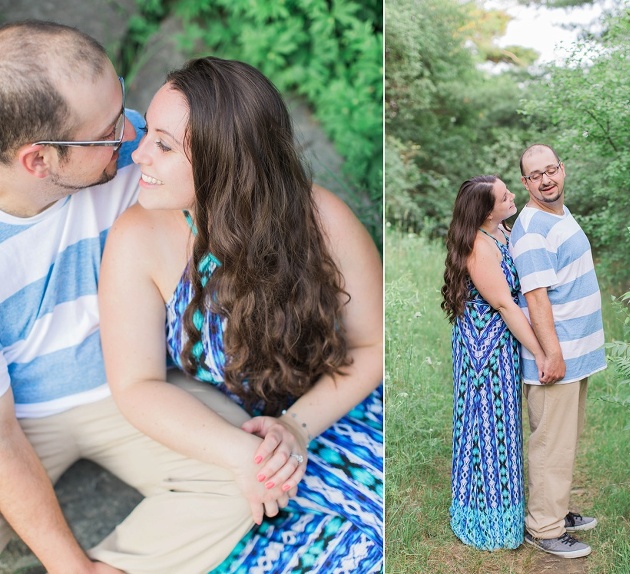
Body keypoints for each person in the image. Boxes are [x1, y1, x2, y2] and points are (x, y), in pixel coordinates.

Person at [97, 56, 384, 572]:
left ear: (223, 162)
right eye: (148, 136)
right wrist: (245, 452)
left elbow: (372, 345)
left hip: (329, 409)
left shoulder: (323, 220)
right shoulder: (138, 237)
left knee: (380, 539)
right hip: (223, 430)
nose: (137, 154)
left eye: (163, 145)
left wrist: (295, 427)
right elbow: (136, 384)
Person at [0, 21, 265, 573]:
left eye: (124, 105)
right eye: (107, 132)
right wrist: (67, 563)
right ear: (38, 161)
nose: (134, 139)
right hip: (18, 422)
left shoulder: (137, 144)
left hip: (133, 384)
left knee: (255, 477)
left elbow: (224, 171)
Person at [509, 144, 606, 559]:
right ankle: (544, 527)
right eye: (536, 175)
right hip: (556, 357)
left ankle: (556, 509)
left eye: (551, 170)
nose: (546, 179)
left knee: (565, 440)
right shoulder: (531, 229)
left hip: (576, 352)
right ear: (525, 182)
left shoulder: (559, 213)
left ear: (562, 169)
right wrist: (553, 354)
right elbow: (536, 298)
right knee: (551, 442)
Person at [440, 175, 546, 550]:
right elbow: (504, 305)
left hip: (500, 343)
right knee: (487, 426)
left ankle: (509, 509)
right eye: (505, 196)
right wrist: (540, 351)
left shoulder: (501, 230)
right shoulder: (479, 248)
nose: (513, 196)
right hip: (483, 349)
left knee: (503, 426)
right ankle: (485, 519)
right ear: (486, 211)